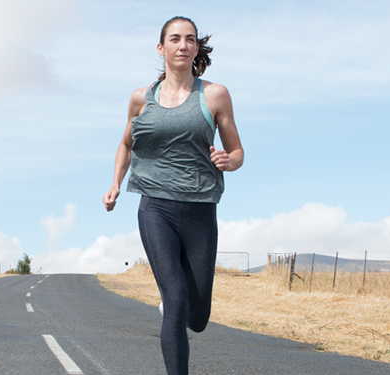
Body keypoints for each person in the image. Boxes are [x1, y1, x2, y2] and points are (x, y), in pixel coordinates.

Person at [102, 16, 244, 375]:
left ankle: (178, 309)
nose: (183, 45)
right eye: (175, 39)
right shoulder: (141, 98)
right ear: (161, 47)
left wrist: (229, 160)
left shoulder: (214, 94)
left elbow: (238, 151)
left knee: (197, 317)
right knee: (176, 300)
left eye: (190, 39)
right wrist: (116, 183)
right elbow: (125, 144)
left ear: (197, 48)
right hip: (155, 206)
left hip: (200, 208)